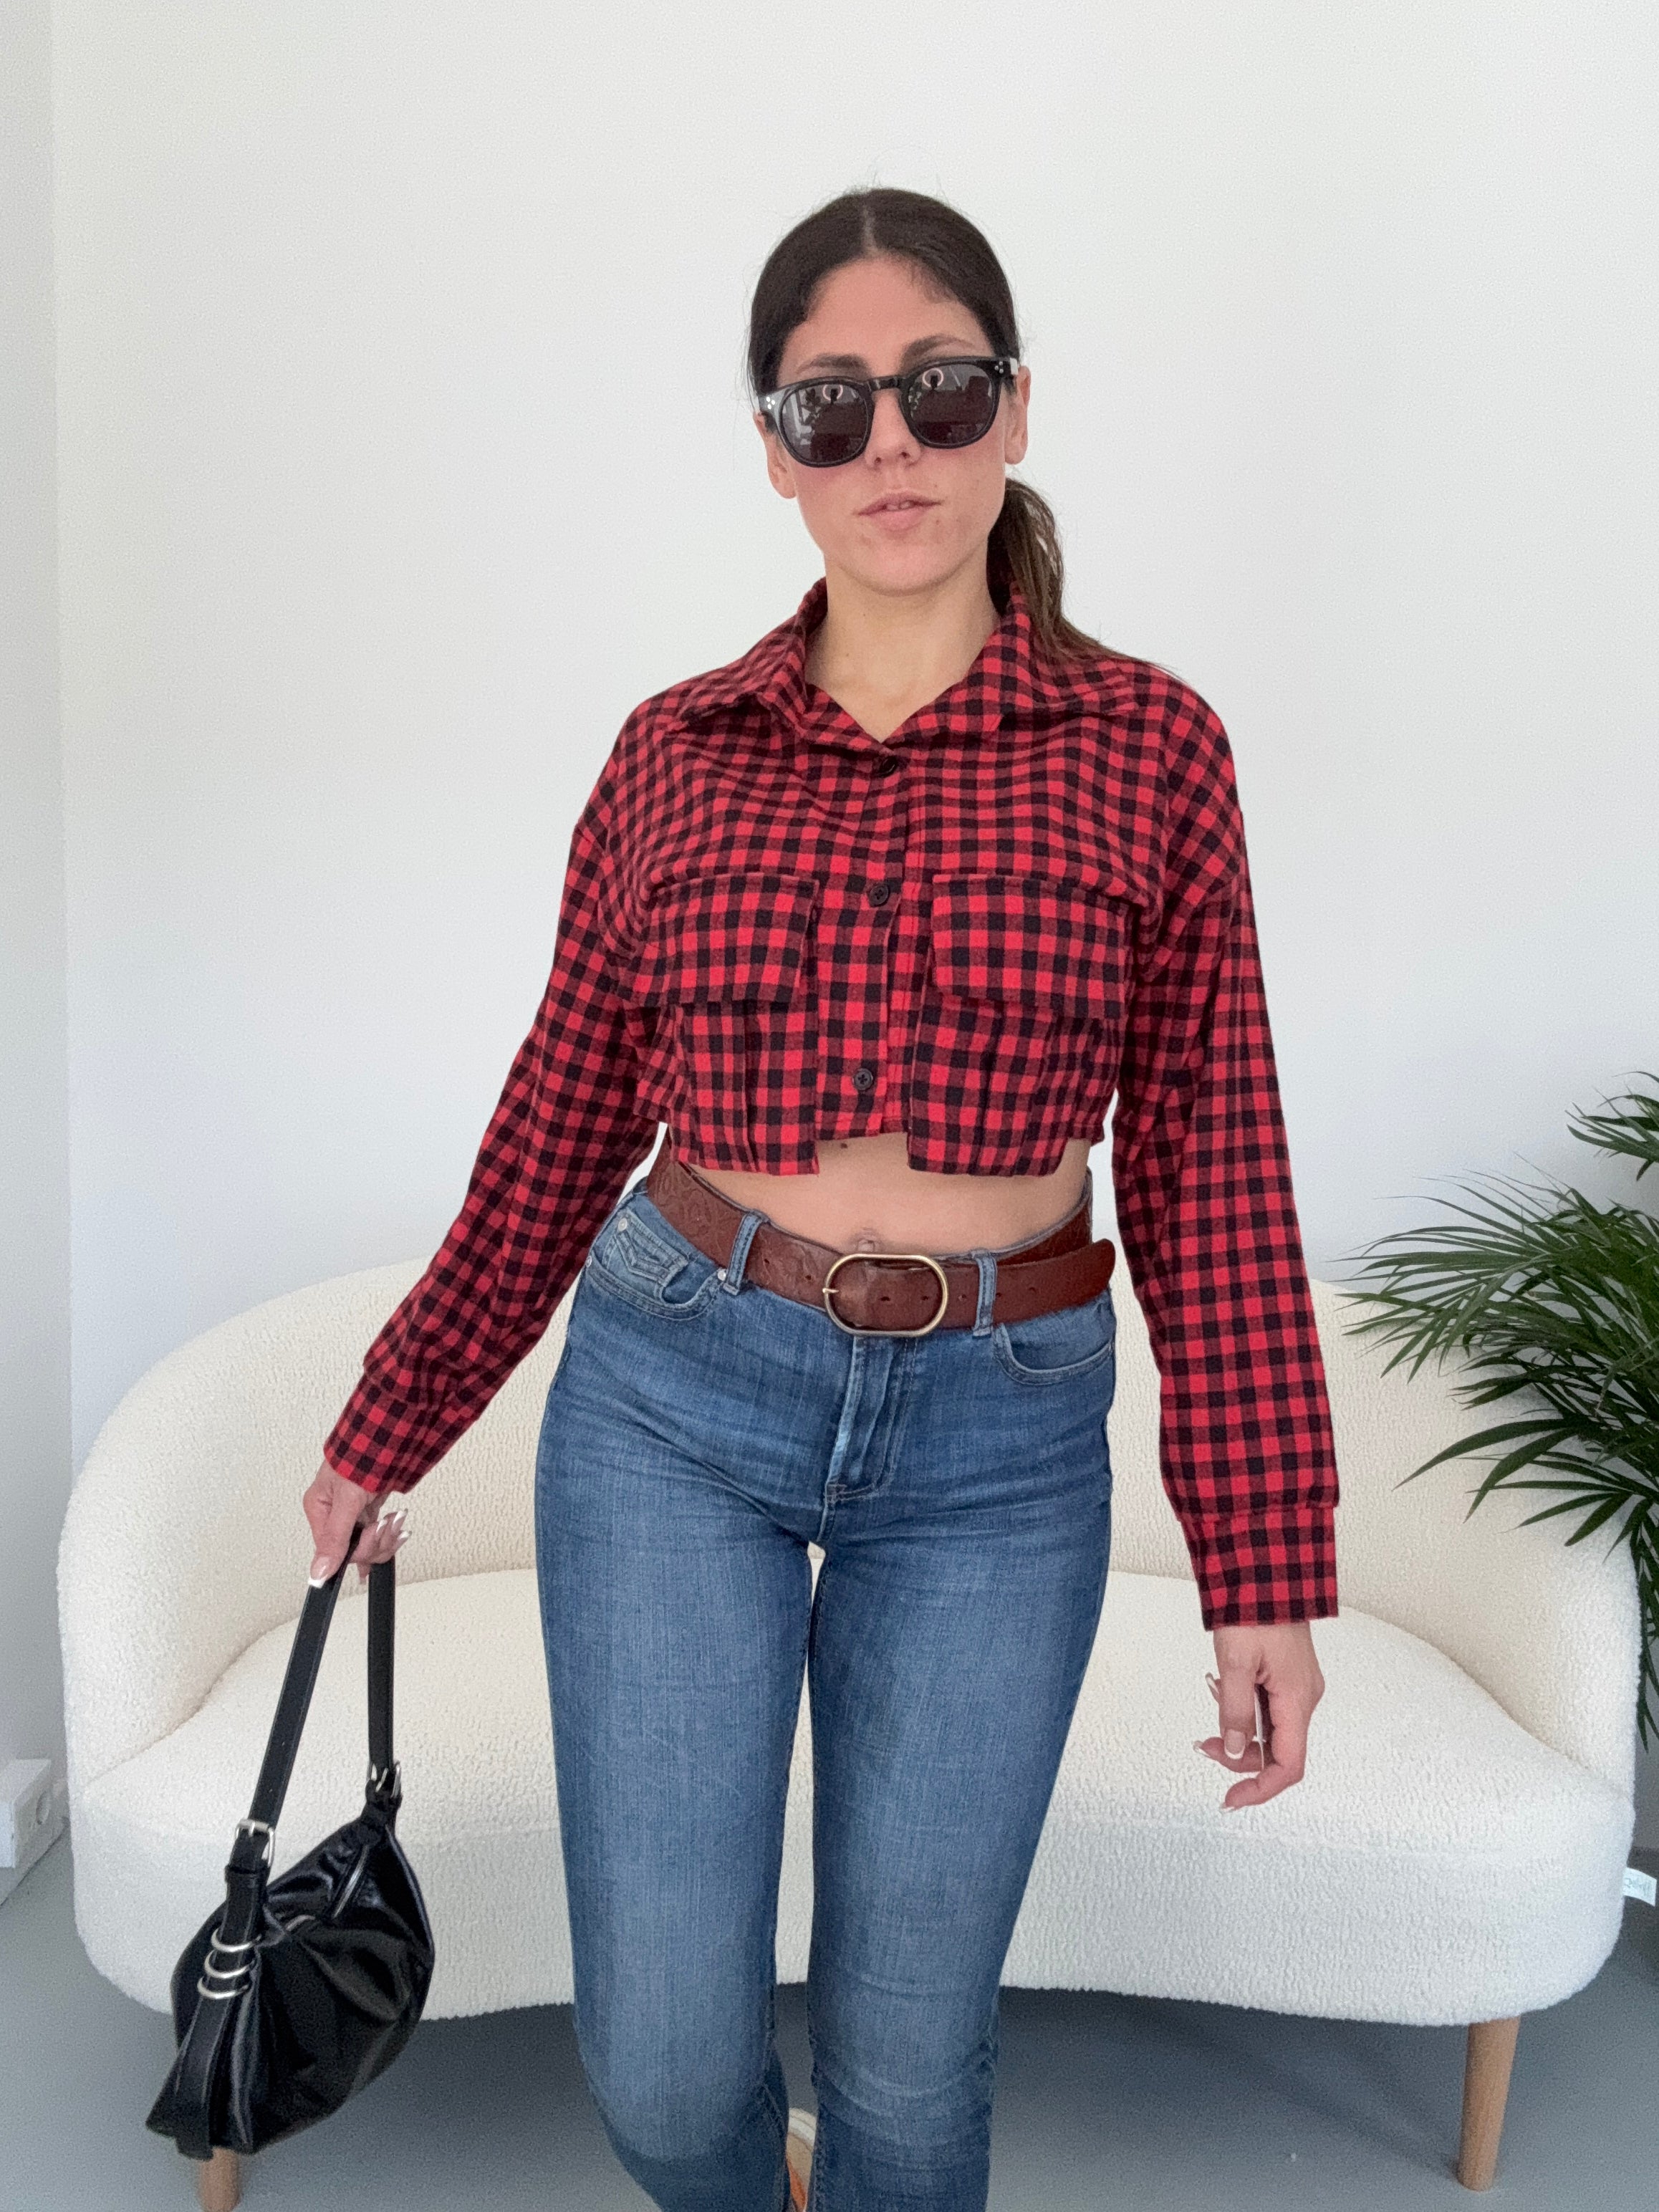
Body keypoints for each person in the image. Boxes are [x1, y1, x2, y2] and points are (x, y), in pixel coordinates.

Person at [303, 186, 1337, 2212]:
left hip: (997, 1446)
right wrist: (389, 1417)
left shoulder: (1153, 749)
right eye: (830, 405)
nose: (891, 447)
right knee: (663, 2057)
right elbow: (558, 1115)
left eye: (939, 391)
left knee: (909, 2069)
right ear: (773, 448)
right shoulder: (673, 753)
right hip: (676, 1397)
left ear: (1015, 408)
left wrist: (1262, 1565)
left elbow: (1212, 1167)